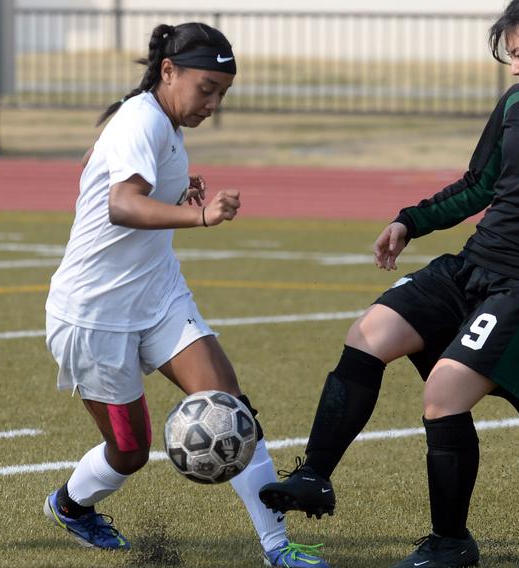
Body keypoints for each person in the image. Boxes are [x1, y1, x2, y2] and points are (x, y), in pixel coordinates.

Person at [259, 1, 519, 566]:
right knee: (369, 333)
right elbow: (480, 184)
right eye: (510, 57)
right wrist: (410, 220)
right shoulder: (516, 105)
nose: (515, 67)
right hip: (473, 263)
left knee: (443, 395)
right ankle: (314, 476)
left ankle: (451, 543)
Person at [42, 22, 329, 568]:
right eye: (207, 89)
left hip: (157, 295)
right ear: (168, 72)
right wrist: (197, 214)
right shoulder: (140, 118)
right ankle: (71, 505)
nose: (214, 104)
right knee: (129, 452)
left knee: (232, 409)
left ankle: (279, 549)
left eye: (222, 93)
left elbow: (109, 174)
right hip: (94, 314)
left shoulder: (161, 121)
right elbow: (121, 205)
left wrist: (177, 190)